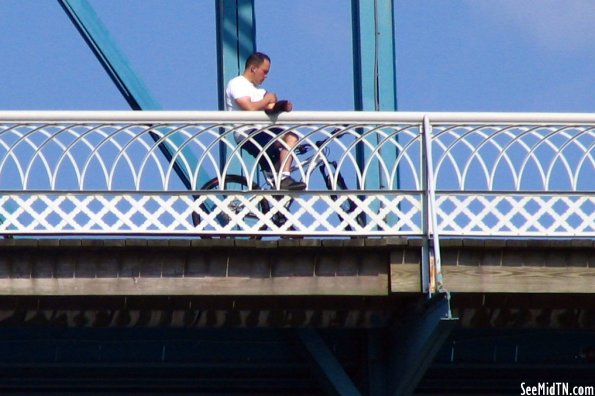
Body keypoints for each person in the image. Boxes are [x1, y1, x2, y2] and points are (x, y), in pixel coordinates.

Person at [225, 52, 306, 190]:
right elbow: (249, 107)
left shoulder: (258, 90)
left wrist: (283, 105)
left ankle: (282, 178)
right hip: (248, 133)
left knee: (292, 137)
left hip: (262, 131)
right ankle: (283, 179)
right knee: (281, 143)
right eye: (264, 71)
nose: (266, 76)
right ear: (253, 68)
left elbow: (270, 108)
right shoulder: (237, 83)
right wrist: (267, 99)